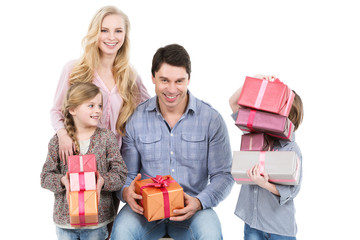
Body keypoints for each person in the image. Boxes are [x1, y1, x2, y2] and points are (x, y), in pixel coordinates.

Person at [110, 44, 234, 240]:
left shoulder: (211, 120)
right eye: (164, 80)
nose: (171, 89)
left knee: (211, 234)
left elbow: (224, 175)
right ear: (152, 78)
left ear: (189, 79)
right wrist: (126, 193)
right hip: (145, 210)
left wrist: (199, 202)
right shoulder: (136, 119)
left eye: (179, 81)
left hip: (194, 209)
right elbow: (128, 174)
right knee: (121, 232)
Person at [50, 5, 150, 164]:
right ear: (94, 32)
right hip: (80, 160)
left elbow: (149, 111)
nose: (112, 37)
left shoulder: (131, 76)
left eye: (118, 31)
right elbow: (56, 111)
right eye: (104, 30)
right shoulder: (73, 70)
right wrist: (63, 135)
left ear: (125, 35)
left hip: (117, 165)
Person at [41, 82, 128, 239]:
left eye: (100, 106)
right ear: (72, 109)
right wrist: (63, 181)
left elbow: (121, 173)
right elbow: (45, 177)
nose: (97, 111)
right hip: (66, 223)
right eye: (91, 105)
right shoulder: (58, 141)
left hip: (97, 223)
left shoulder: (106, 138)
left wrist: (102, 180)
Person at [229, 77, 304, 240]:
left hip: (279, 228)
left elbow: (292, 191)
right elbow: (233, 103)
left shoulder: (291, 149)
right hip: (253, 224)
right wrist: (256, 81)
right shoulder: (254, 136)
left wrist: (264, 184)